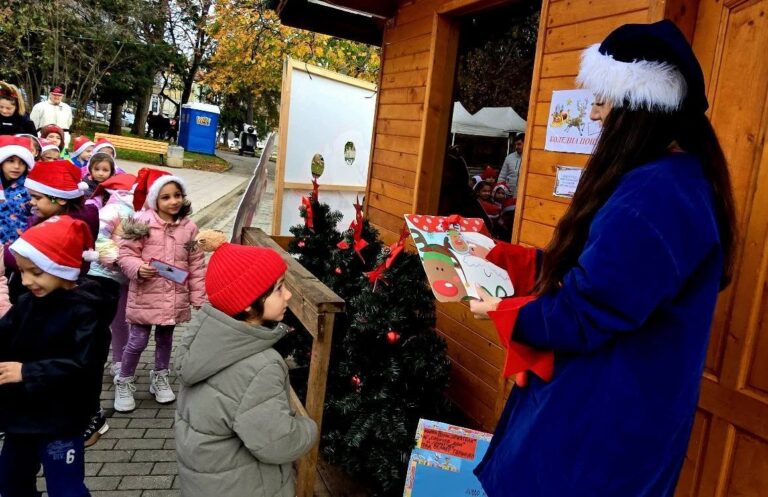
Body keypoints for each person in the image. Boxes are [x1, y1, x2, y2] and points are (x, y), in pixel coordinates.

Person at [469, 20, 736, 497]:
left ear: (637, 108)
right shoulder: (668, 182)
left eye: (600, 100)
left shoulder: (659, 194)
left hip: (598, 428)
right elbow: (597, 271)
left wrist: (506, 310)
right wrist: (498, 256)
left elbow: (588, 307)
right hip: (607, 413)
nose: (592, 115)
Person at [175, 230, 318, 496]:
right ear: (248, 305)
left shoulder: (205, 345)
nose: (287, 296)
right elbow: (278, 443)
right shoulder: (260, 366)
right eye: (278, 289)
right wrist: (308, 428)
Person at [0, 216, 111, 497]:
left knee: (65, 488)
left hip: (62, 418)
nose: (25, 281)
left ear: (63, 268)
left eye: (36, 272)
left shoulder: (86, 311)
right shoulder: (27, 303)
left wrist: (28, 372)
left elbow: (84, 365)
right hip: (20, 418)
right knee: (11, 482)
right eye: (22, 272)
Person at [113, 169, 206, 412]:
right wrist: (138, 267)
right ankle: (124, 380)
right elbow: (125, 253)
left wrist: (197, 294)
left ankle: (160, 377)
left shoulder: (189, 228)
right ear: (155, 200)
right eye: (166, 197)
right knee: (137, 341)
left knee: (165, 339)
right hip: (146, 294)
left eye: (177, 195)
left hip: (174, 295)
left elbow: (196, 263)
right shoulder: (141, 223)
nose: (173, 201)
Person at [87, 174, 137, 380]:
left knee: (121, 321)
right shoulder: (113, 210)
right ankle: (97, 360)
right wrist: (117, 259)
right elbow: (99, 236)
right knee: (102, 321)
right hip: (103, 275)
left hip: (124, 276)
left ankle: (119, 361)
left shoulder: (138, 211)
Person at [0, 135, 33, 247]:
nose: (16, 166)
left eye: (22, 162)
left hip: (16, 250)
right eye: (10, 161)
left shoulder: (31, 189)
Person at [498, 133, 524, 198]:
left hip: (523, 196)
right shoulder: (509, 158)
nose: (516, 147)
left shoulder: (531, 158)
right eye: (515, 145)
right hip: (508, 195)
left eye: (519, 144)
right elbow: (502, 177)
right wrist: (500, 191)